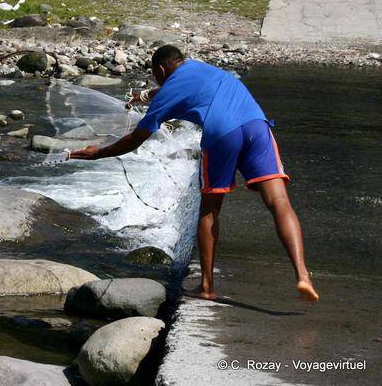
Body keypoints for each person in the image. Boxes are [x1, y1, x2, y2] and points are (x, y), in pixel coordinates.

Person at [70, 45, 319, 302]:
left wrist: (98, 153)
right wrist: (144, 96)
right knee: (279, 203)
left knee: (209, 210)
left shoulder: (167, 91)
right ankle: (302, 275)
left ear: (160, 70)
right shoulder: (200, 67)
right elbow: (173, 89)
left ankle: (207, 287)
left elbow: (136, 139)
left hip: (222, 133)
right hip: (257, 125)